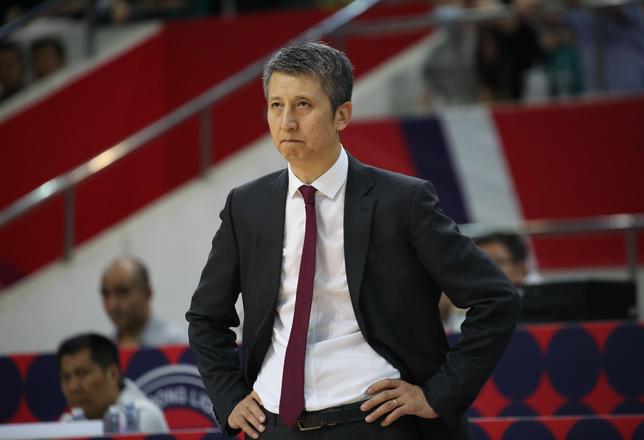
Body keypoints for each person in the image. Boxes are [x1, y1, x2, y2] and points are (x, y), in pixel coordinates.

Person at [186, 41, 520, 440]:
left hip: (375, 422)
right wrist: (229, 397)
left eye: (303, 105)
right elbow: (206, 317)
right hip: (274, 424)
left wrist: (439, 395)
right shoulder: (246, 205)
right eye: (276, 105)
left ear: (342, 114)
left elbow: (496, 298)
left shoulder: (403, 201)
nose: (287, 122)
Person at [57, 332, 169, 433]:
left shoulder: (140, 417)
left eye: (82, 374)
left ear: (113, 374)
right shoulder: (67, 423)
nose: (73, 387)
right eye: (66, 377)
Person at [441, 231, 531, 331]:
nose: (483, 270)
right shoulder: (457, 304)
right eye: (476, 264)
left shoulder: (537, 305)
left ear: (520, 268)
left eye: (495, 262)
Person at [101, 256, 188, 347]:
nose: (113, 304)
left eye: (122, 292)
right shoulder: (106, 348)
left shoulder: (177, 343)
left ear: (147, 293)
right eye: (106, 294)